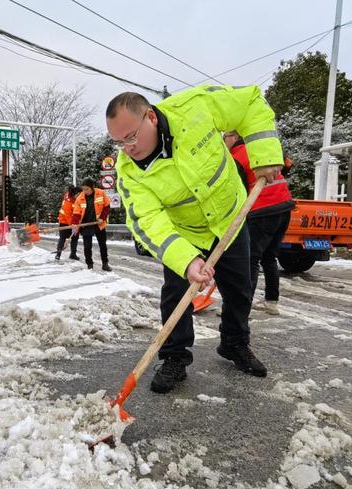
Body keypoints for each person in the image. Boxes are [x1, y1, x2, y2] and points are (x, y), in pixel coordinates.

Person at [106, 86, 283, 393]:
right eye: (119, 142)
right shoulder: (129, 173)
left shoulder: (195, 107)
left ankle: (234, 343)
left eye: (131, 136)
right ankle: (175, 356)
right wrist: (186, 260)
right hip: (185, 235)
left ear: (150, 116)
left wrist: (265, 156)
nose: (128, 148)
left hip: (230, 217)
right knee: (176, 295)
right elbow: (147, 221)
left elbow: (251, 102)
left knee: (241, 288)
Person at [224, 132, 295, 316]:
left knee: (251, 259)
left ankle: (241, 307)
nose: (223, 143)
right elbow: (286, 165)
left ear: (232, 137)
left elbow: (236, 190)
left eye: (224, 138)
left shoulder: (236, 157)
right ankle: (271, 303)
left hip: (263, 210)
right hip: (284, 207)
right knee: (269, 257)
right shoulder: (259, 149)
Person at [71, 178, 112, 271]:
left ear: (92, 187)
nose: (85, 191)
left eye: (87, 189)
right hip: (85, 225)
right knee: (87, 247)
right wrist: (75, 223)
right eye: (83, 189)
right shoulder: (80, 198)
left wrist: (102, 218)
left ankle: (105, 264)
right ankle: (89, 265)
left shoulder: (101, 193)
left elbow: (107, 207)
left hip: (98, 224)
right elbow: (76, 213)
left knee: (102, 245)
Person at [55, 185, 82, 261]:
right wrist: (73, 225)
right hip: (64, 222)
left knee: (75, 238)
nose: (79, 196)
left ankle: (73, 254)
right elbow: (68, 216)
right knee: (62, 238)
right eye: (78, 194)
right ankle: (58, 254)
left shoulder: (76, 201)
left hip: (74, 223)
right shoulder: (68, 202)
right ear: (74, 194)